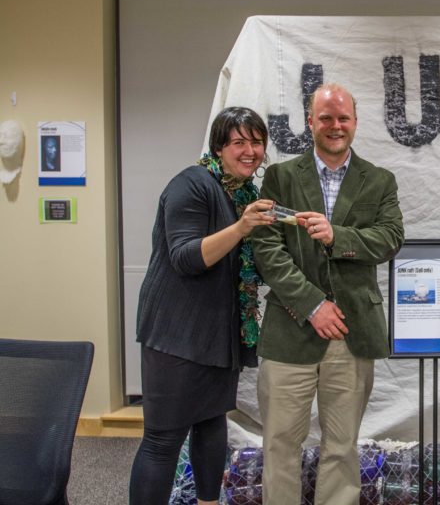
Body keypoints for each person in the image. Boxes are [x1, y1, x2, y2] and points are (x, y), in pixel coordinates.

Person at [252, 83, 404, 504]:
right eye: (325, 117)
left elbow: (390, 239)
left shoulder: (379, 181)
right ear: (310, 121)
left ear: (355, 122)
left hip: (351, 334)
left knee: (341, 447)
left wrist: (338, 235)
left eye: (343, 118)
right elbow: (267, 250)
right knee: (280, 445)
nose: (335, 126)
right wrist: (312, 304)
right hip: (290, 329)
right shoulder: (279, 178)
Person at [129, 107, 275, 505]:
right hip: (175, 334)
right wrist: (242, 227)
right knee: (162, 440)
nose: (250, 151)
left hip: (217, 335)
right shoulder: (191, 184)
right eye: (239, 142)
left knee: (211, 426)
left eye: (257, 142)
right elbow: (185, 257)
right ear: (219, 147)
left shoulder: (243, 194)